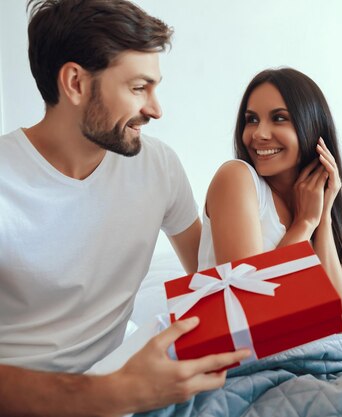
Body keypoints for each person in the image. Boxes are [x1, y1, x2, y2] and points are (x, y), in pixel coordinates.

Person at [0, 1, 249, 415]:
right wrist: (115, 394)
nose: (155, 109)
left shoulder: (158, 166)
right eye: (138, 88)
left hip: (129, 389)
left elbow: (214, 285)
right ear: (75, 83)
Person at [201, 68, 342, 328]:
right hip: (245, 361)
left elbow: (340, 316)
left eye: (279, 118)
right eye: (251, 120)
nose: (259, 133)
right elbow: (246, 307)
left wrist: (323, 217)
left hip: (313, 355)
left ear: (312, 125)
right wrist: (303, 225)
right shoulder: (237, 178)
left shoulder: (316, 206)